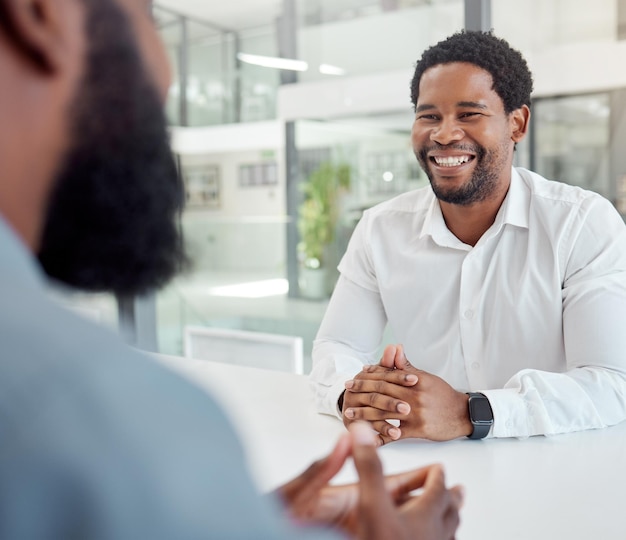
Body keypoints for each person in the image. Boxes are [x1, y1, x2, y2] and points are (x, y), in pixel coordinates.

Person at [0, 0, 464, 538]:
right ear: (42, 13)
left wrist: (246, 521)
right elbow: (335, 352)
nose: (168, 76)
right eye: (148, 18)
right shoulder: (93, 416)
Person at [310, 30, 626, 445]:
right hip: (423, 466)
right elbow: (337, 345)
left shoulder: (581, 223)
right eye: (428, 116)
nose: (443, 134)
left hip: (551, 470)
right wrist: (359, 397)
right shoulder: (379, 229)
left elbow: (610, 383)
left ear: (517, 123)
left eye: (469, 114)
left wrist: (470, 411)